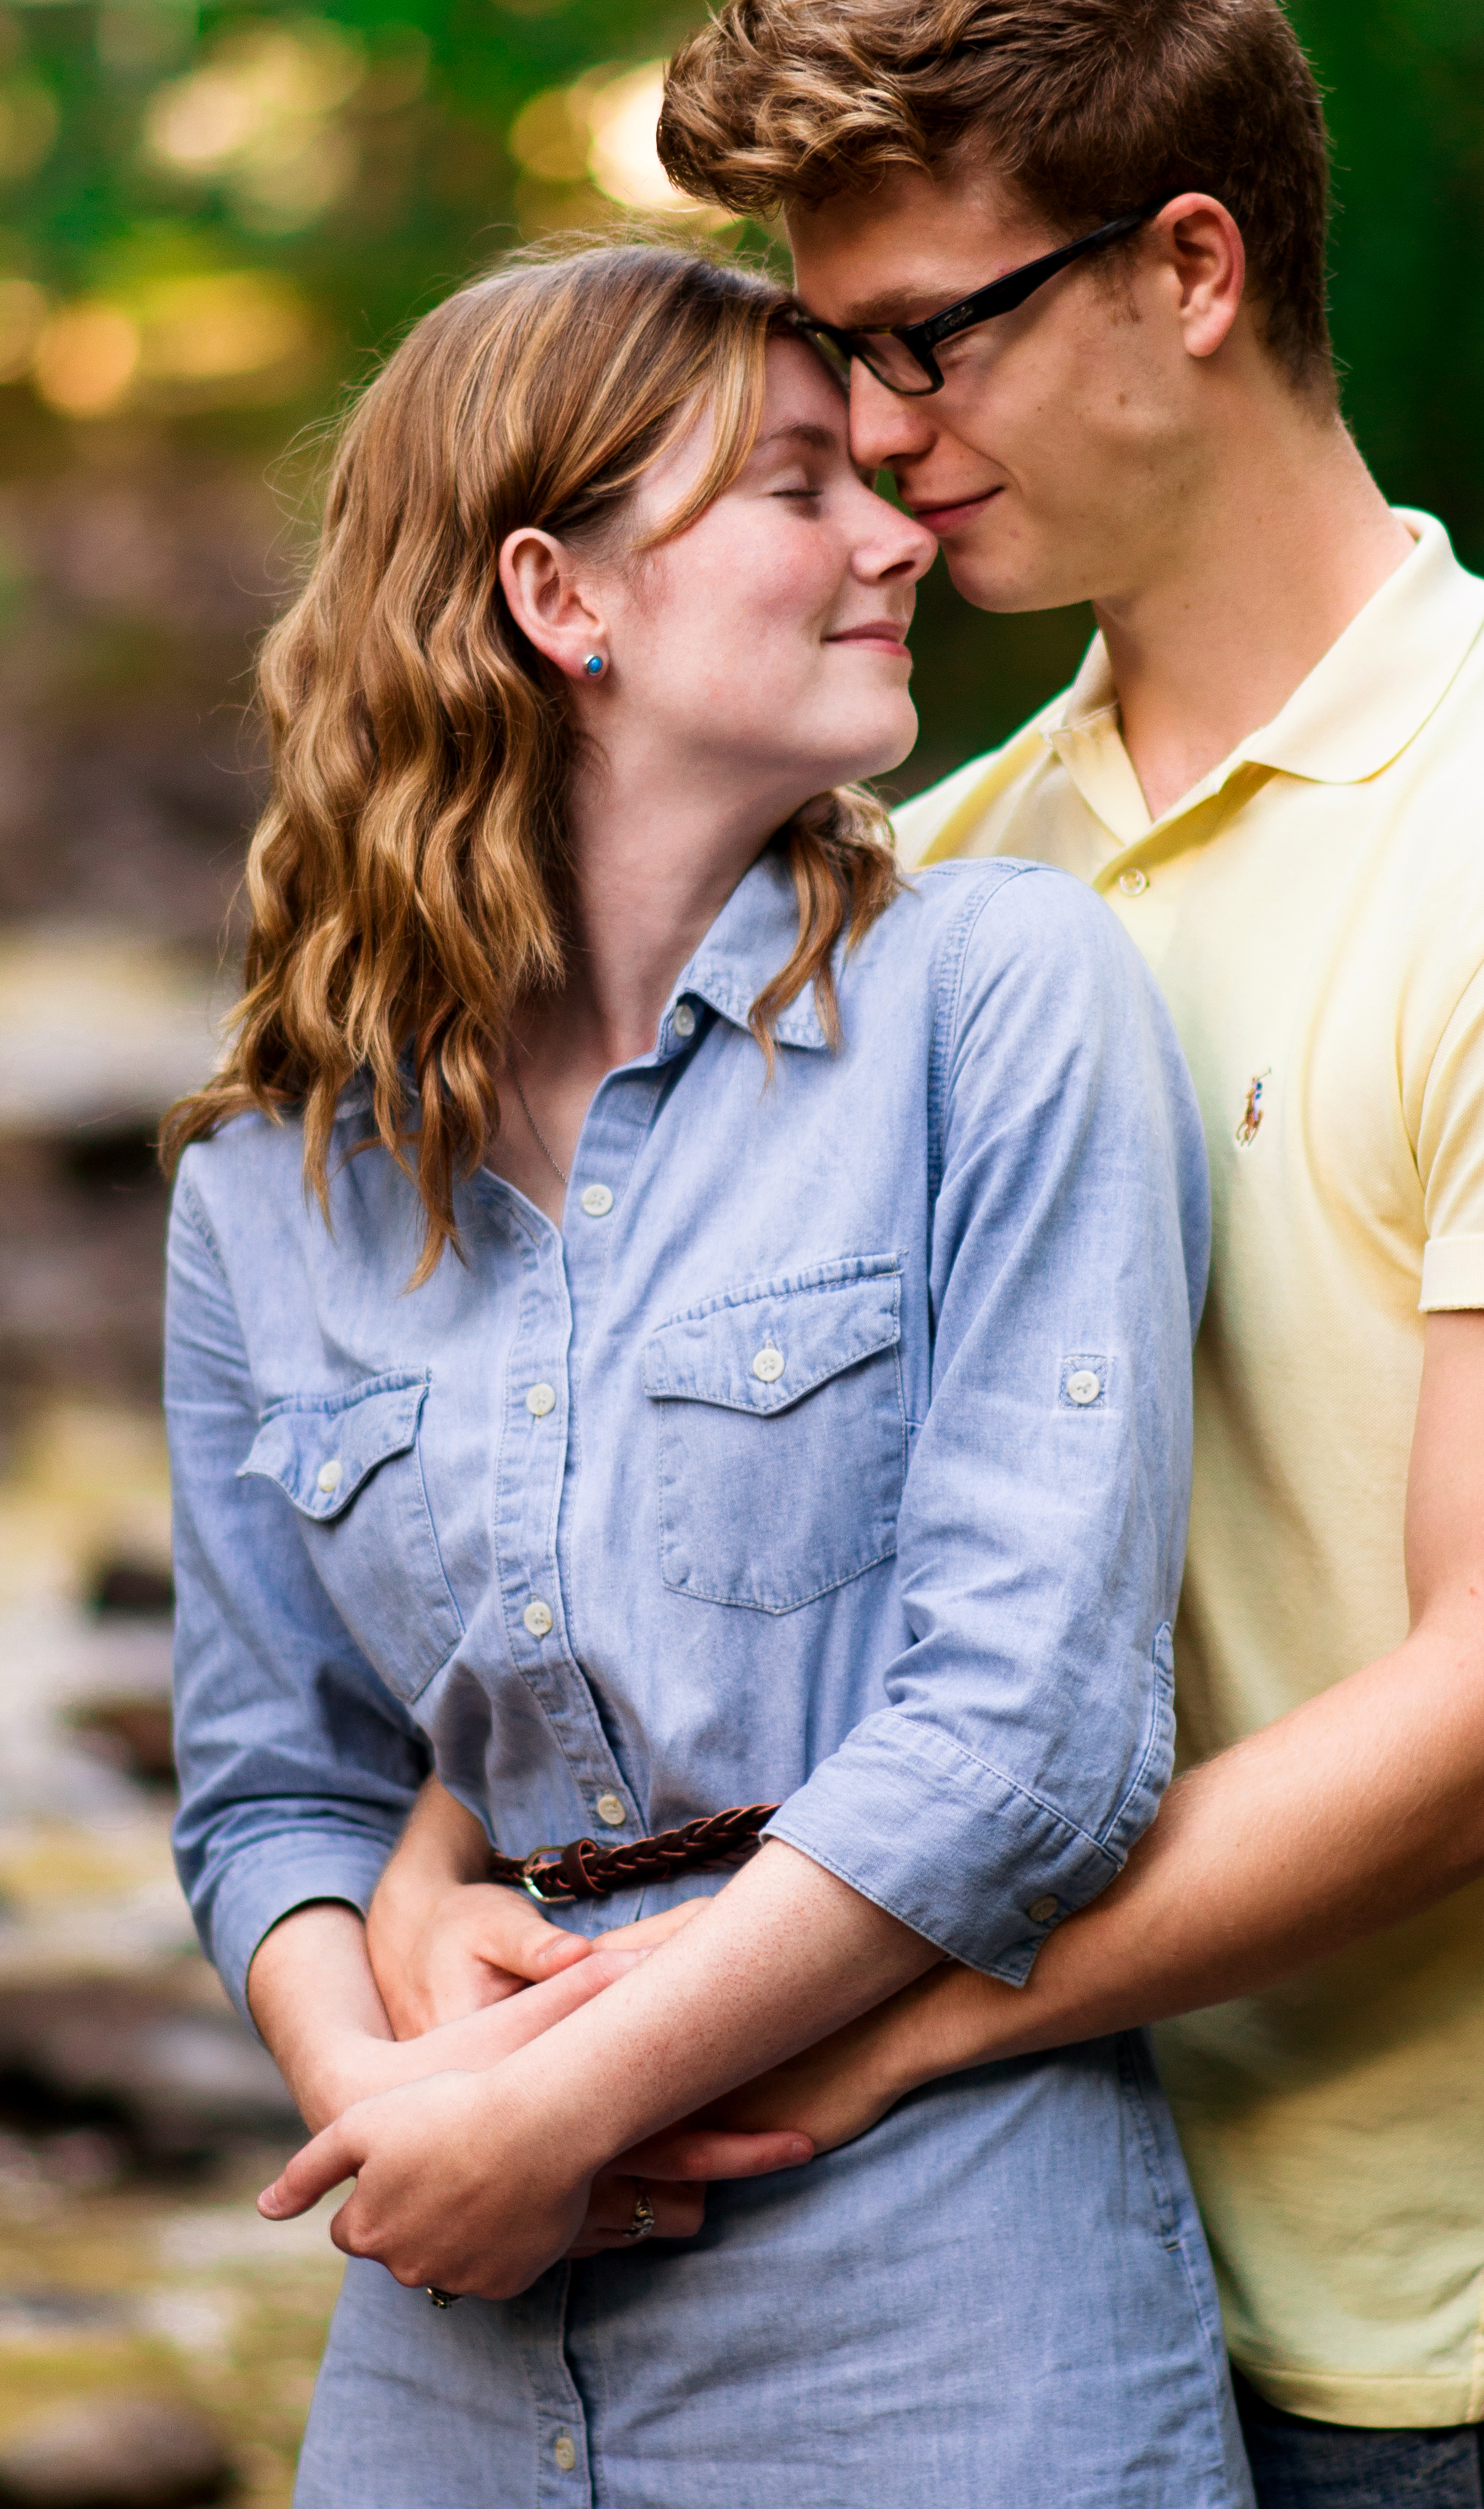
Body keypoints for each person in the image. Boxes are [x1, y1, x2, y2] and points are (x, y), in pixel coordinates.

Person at [368, 0, 1484, 2509]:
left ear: (1191, 269)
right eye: (835, 354)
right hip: (931, 2290)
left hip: (1352, 2356)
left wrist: (877, 2011)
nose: (876, 436)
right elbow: (676, 1471)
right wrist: (440, 1867)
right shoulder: (923, 867)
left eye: (931, 339)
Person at [160, 236, 1254, 2508]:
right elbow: (276, 1784)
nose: (895, 537)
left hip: (941, 2313)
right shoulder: (264, 1187)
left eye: (869, 479)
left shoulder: (1000, 1000)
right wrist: (382, 2092)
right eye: (792, 491)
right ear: (564, 596)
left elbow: (1032, 1729)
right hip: (449, 2339)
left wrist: (557, 2107)